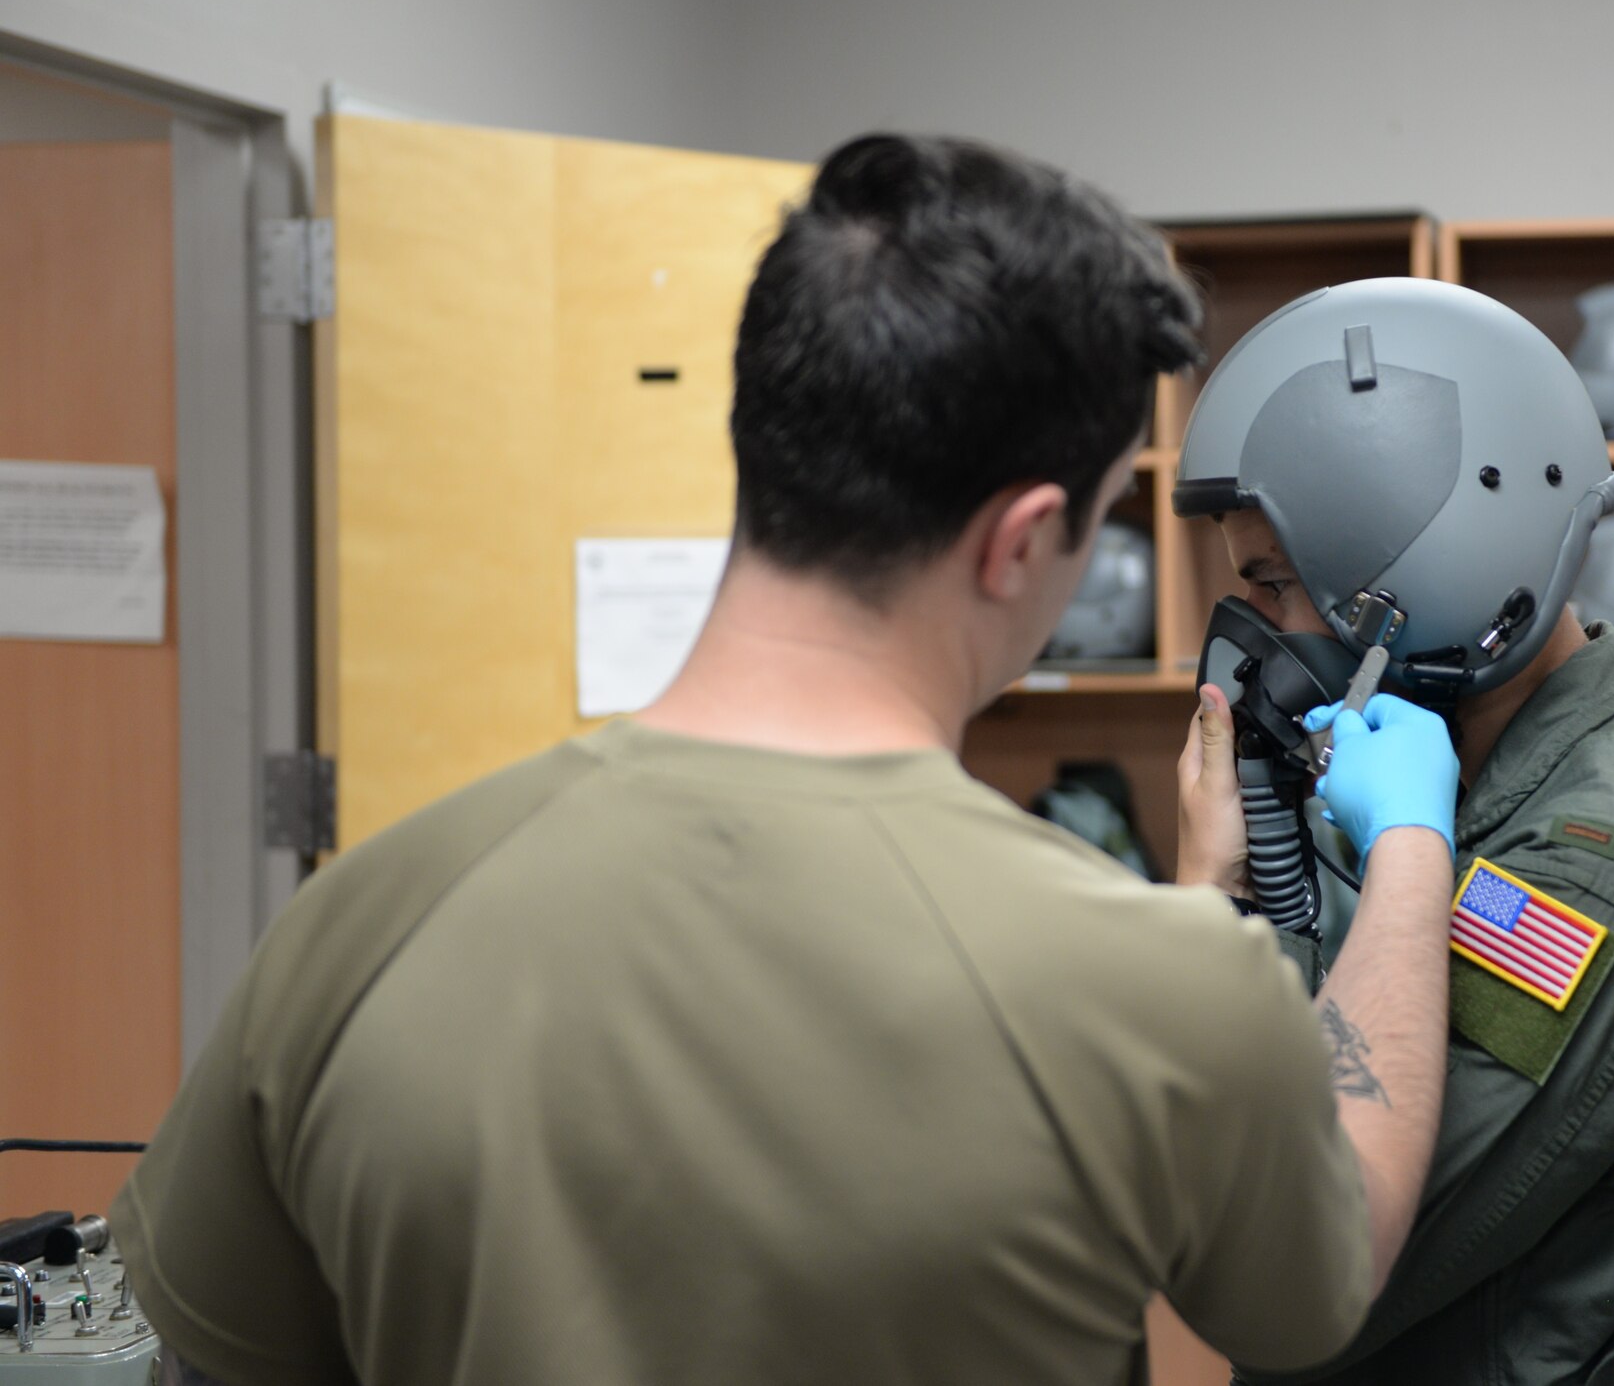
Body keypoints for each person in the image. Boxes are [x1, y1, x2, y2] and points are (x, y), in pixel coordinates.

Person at [113, 135, 1466, 1386]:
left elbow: (204, 1348)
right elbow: (1319, 1274)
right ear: (1020, 538)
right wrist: (1408, 850)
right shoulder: (1166, 987)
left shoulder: (357, 922)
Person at [1172, 278, 1614, 1385]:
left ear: (1432, 564)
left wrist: (1208, 915)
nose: (1243, 631)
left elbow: (1288, 1265)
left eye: (1271, 583)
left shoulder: (1596, 872)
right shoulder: (1422, 772)